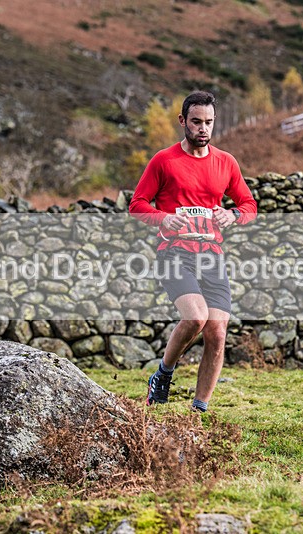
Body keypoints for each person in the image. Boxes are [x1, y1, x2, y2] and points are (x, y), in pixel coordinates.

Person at [129, 91, 257, 413]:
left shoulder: (226, 162)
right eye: (197, 121)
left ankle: (198, 411)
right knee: (196, 316)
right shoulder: (164, 160)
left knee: (217, 331)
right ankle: (163, 375)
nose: (203, 128)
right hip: (174, 253)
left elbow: (249, 205)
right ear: (183, 121)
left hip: (211, 254)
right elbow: (137, 205)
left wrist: (234, 215)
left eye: (209, 122)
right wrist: (164, 218)